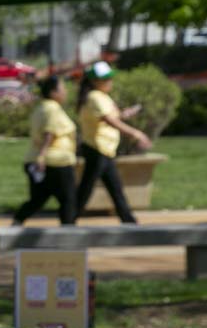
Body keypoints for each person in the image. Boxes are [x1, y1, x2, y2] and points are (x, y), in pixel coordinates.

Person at [76, 61, 152, 223]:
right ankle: (69, 218)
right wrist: (136, 134)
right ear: (94, 81)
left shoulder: (102, 97)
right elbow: (110, 120)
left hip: (105, 150)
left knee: (114, 188)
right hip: (97, 149)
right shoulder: (95, 97)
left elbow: (113, 117)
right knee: (86, 189)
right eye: (105, 79)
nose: (109, 82)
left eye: (110, 78)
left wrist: (125, 114)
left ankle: (128, 220)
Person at [13, 75, 79, 225]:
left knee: (38, 199)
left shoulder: (41, 107)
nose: (65, 92)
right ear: (53, 92)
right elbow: (49, 133)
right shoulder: (53, 109)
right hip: (56, 161)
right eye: (62, 89)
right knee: (68, 199)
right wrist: (42, 157)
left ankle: (16, 222)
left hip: (37, 159)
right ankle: (68, 232)